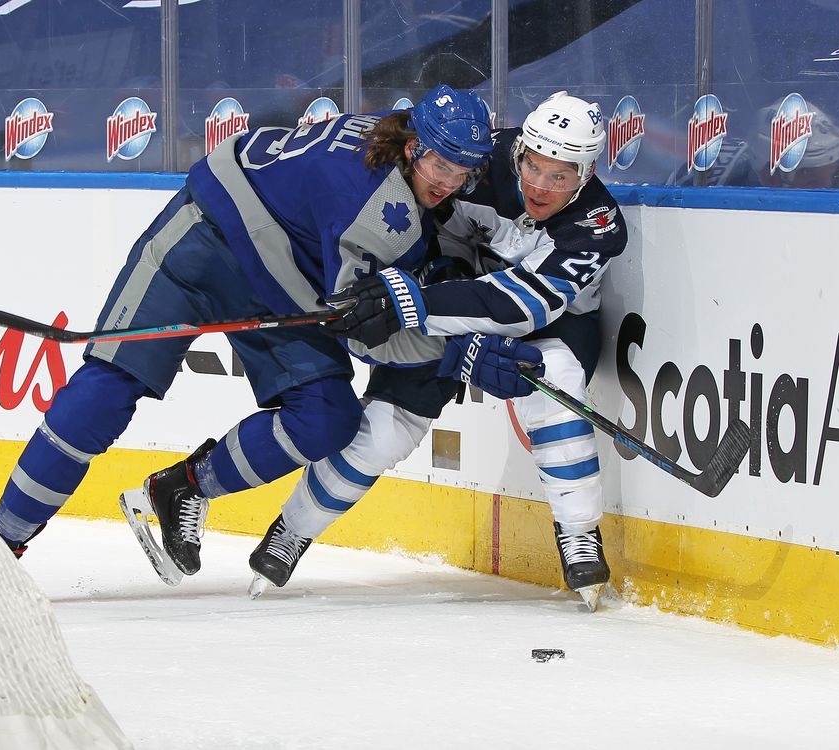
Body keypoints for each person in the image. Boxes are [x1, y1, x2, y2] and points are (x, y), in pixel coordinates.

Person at [0, 84, 494, 582]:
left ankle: (183, 487)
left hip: (285, 277)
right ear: (414, 148)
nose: (448, 182)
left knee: (325, 419)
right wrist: (450, 351)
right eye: (440, 166)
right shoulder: (378, 214)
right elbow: (362, 335)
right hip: (204, 239)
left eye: (462, 171)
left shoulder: (400, 124)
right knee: (105, 391)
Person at [248, 91, 628, 611]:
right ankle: (292, 531)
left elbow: (526, 307)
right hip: (451, 298)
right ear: (518, 152)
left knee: (556, 381)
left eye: (560, 177)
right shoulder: (478, 160)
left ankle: (580, 533)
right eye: (534, 167)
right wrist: (415, 283)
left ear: (584, 175)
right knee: (384, 431)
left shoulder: (597, 224)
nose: (540, 186)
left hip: (546, 321)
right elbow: (417, 219)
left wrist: (412, 301)